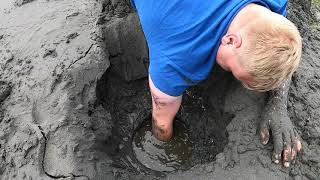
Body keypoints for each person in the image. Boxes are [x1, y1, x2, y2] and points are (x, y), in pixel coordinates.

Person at [130, 0, 302, 168]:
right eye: (236, 74)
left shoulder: (276, 5)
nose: (239, 82)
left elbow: (281, 37)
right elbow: (161, 118)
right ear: (230, 40)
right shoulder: (178, 52)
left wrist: (278, 102)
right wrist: (162, 145)